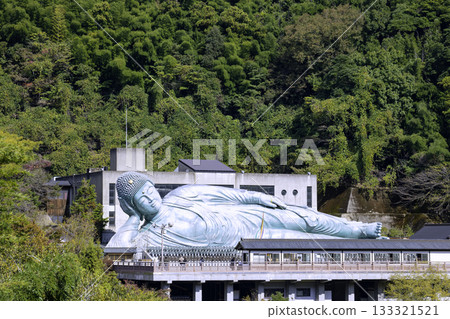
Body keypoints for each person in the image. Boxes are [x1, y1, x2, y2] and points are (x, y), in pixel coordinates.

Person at [107, 172, 382, 248]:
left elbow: (228, 194)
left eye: (149, 190)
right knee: (311, 242)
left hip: (246, 216)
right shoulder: (149, 235)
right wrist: (132, 217)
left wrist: (258, 199)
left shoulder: (181, 195)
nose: (150, 198)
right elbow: (116, 249)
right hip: (243, 242)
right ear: (134, 205)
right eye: (141, 199)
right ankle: (360, 242)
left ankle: (360, 229)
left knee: (304, 217)